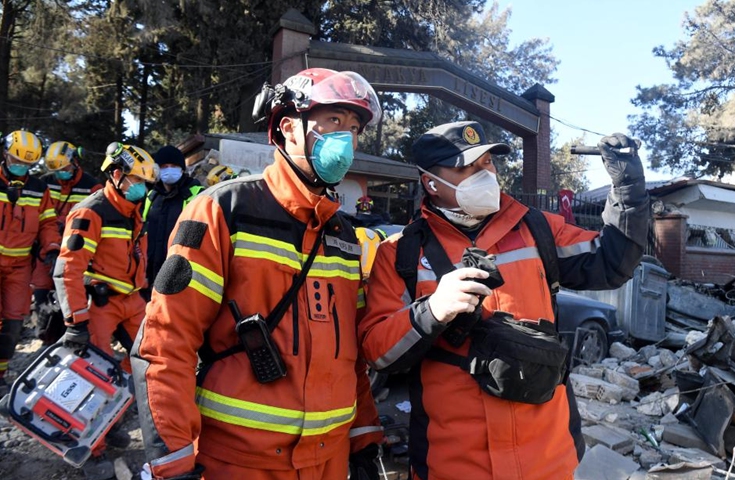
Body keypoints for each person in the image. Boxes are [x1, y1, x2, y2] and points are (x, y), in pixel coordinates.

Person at [131, 68, 385, 480]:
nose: (347, 138)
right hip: (240, 462)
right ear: (288, 127)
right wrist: (172, 461)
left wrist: (364, 439)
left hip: (330, 460)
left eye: (354, 128)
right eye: (334, 120)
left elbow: (351, 356)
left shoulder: (343, 235)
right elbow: (166, 340)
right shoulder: (223, 210)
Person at [359, 121, 650, 479]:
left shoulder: (536, 229)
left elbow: (613, 263)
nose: (485, 174)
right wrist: (432, 310)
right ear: (431, 183)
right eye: (466, 168)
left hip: (550, 461)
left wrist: (628, 186)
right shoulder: (400, 253)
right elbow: (378, 351)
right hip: (453, 467)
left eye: (487, 163)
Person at [52, 142, 157, 479]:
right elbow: (68, 269)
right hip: (98, 302)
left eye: (145, 183)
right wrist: (75, 322)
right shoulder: (91, 212)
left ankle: (109, 422)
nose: (142, 188)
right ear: (116, 175)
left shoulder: (133, 210)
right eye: (137, 180)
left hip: (131, 299)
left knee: (148, 358)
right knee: (93, 375)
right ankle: (89, 449)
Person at [0, 130, 60, 395]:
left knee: (13, 324)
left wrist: (52, 248)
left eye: (27, 163)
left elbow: (47, 223)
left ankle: (1, 374)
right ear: (5, 154)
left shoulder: (38, 188)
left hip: (20, 265)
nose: (21, 166)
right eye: (16, 160)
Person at [31, 141, 101, 344]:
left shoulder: (92, 186)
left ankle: (67, 336)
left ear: (75, 162)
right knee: (41, 294)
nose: (62, 173)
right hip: (46, 249)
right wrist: (49, 247)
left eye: (65, 168)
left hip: (76, 251)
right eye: (57, 170)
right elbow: (42, 218)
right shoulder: (45, 183)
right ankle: (45, 338)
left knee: (70, 295)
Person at [142, 145, 203, 296]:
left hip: (180, 276)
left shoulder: (196, 194)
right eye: (164, 166)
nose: (169, 170)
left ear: (182, 169)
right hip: (149, 276)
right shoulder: (151, 197)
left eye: (174, 166)